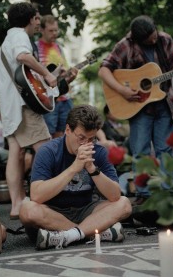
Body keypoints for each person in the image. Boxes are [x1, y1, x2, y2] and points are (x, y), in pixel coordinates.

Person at [98, 15, 173, 201]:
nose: (154, 39)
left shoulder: (164, 39)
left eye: (154, 33)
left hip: (164, 105)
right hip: (139, 109)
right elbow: (104, 69)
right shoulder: (125, 45)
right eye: (149, 38)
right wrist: (122, 90)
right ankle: (143, 195)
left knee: (166, 149)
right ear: (138, 38)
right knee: (140, 151)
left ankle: (168, 193)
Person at [19, 104, 132, 250]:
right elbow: (36, 195)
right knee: (27, 209)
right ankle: (92, 232)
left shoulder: (99, 151)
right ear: (67, 130)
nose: (86, 143)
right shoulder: (48, 150)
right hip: (53, 212)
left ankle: (67, 236)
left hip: (85, 211)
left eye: (91, 139)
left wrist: (92, 169)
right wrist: (73, 168)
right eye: (81, 138)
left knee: (124, 203)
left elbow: (115, 196)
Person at [0, 2, 57, 219]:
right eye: (37, 18)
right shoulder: (20, 36)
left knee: (16, 151)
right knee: (45, 147)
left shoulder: (8, 39)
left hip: (9, 106)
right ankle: (55, 195)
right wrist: (48, 75)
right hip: (22, 105)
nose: (38, 22)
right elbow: (23, 56)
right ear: (30, 19)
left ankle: (17, 203)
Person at [36, 14, 78, 138]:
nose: (54, 33)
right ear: (42, 30)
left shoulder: (59, 47)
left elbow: (62, 76)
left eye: (56, 30)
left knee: (64, 136)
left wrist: (70, 77)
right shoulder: (35, 48)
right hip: (47, 100)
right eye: (51, 30)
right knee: (47, 137)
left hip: (64, 99)